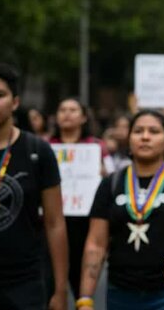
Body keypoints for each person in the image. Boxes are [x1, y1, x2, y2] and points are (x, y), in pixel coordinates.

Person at [77, 109, 164, 310]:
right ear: (128, 140)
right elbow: (96, 244)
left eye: (154, 131)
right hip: (120, 294)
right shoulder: (111, 183)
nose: (145, 136)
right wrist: (85, 298)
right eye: (138, 131)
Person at [0, 63, 68, 309]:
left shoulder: (38, 151)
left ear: (15, 102)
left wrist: (60, 289)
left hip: (23, 282)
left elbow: (54, 222)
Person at [48, 97, 112, 299]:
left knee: (79, 280)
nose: (67, 114)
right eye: (62, 110)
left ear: (84, 117)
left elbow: (111, 176)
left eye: (73, 110)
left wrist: (102, 173)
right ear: (56, 117)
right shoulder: (45, 146)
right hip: (51, 222)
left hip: (85, 223)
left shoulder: (97, 147)